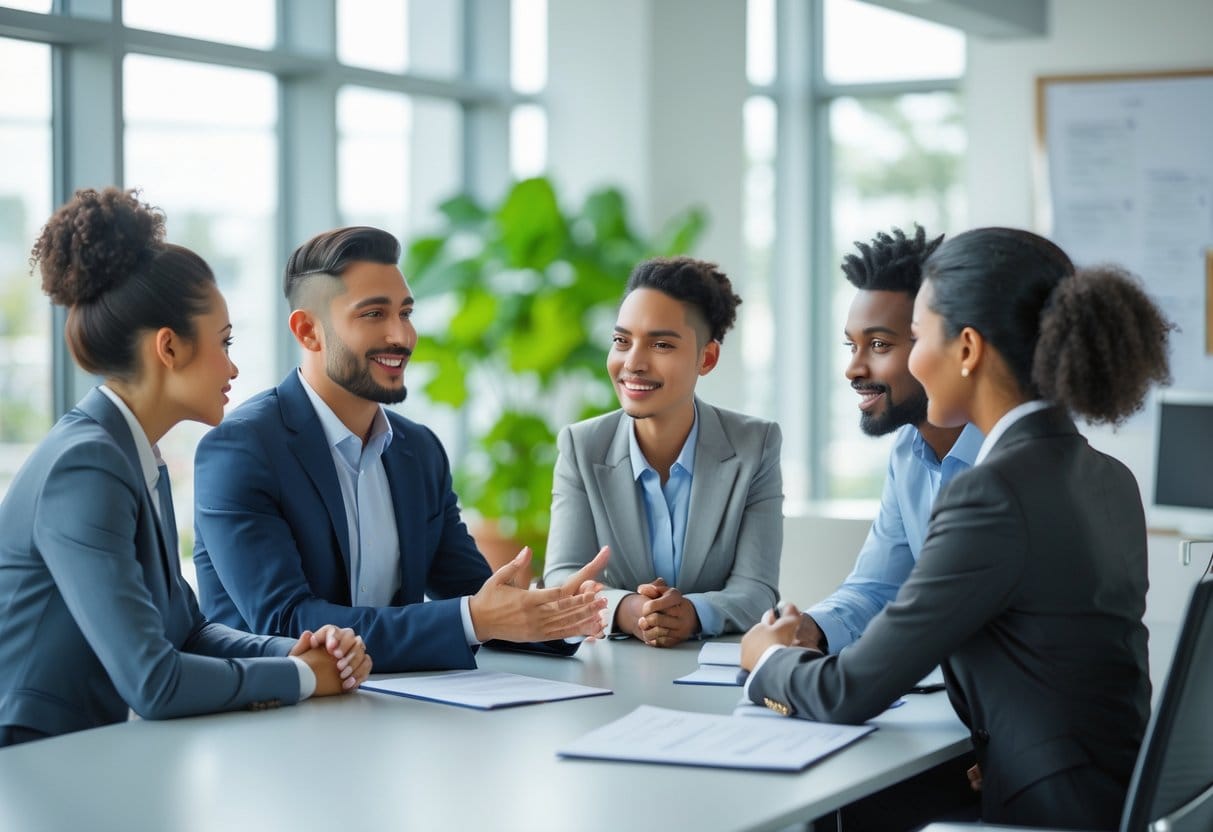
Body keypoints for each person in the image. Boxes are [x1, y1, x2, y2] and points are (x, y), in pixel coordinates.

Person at [741, 227, 1172, 830]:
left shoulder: (992, 492)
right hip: (1105, 799)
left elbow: (846, 693)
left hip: (1042, 817)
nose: (912, 359)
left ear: (967, 349)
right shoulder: (1107, 476)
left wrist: (765, 659)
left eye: (917, 337)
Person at [0, 188, 371, 748]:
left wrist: (302, 653)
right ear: (169, 348)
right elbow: (155, 680)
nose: (233, 365)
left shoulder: (132, 454)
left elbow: (187, 631)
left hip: (82, 759)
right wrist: (301, 678)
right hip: (28, 769)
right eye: (223, 342)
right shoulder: (88, 466)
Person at [192, 226, 608, 673]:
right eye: (373, 314)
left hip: (396, 713)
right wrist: (474, 618)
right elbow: (286, 622)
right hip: (270, 717)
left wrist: (555, 616)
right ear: (308, 331)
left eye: (405, 313)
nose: (401, 336)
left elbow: (477, 598)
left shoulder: (419, 452)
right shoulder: (241, 450)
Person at [544, 256, 782, 647]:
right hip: (611, 674)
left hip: (712, 675)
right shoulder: (581, 446)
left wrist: (693, 614)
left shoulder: (755, 446)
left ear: (706, 358)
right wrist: (627, 609)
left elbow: (756, 589)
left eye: (661, 344)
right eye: (622, 341)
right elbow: (562, 574)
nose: (633, 363)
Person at [798, 225, 984, 655]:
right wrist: (808, 629)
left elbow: (940, 618)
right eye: (851, 346)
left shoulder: (1008, 460)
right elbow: (877, 588)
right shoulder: (908, 452)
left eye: (879, 344)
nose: (853, 369)